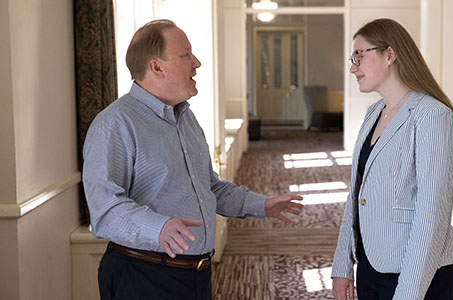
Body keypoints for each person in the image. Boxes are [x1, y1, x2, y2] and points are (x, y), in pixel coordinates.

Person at [82, 19, 303, 300]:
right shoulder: (115, 124)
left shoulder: (185, 118)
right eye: (186, 55)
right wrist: (158, 226)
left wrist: (261, 205)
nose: (196, 62)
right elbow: (104, 211)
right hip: (142, 275)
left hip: (196, 276)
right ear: (156, 67)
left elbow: (209, 188)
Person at [331, 18, 453, 300]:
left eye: (359, 55)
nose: (353, 67)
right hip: (370, 266)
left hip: (416, 273)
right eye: (351, 58)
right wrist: (343, 264)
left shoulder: (432, 116)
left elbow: (432, 214)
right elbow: (356, 196)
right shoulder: (373, 114)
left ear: (390, 54)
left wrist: (409, 293)